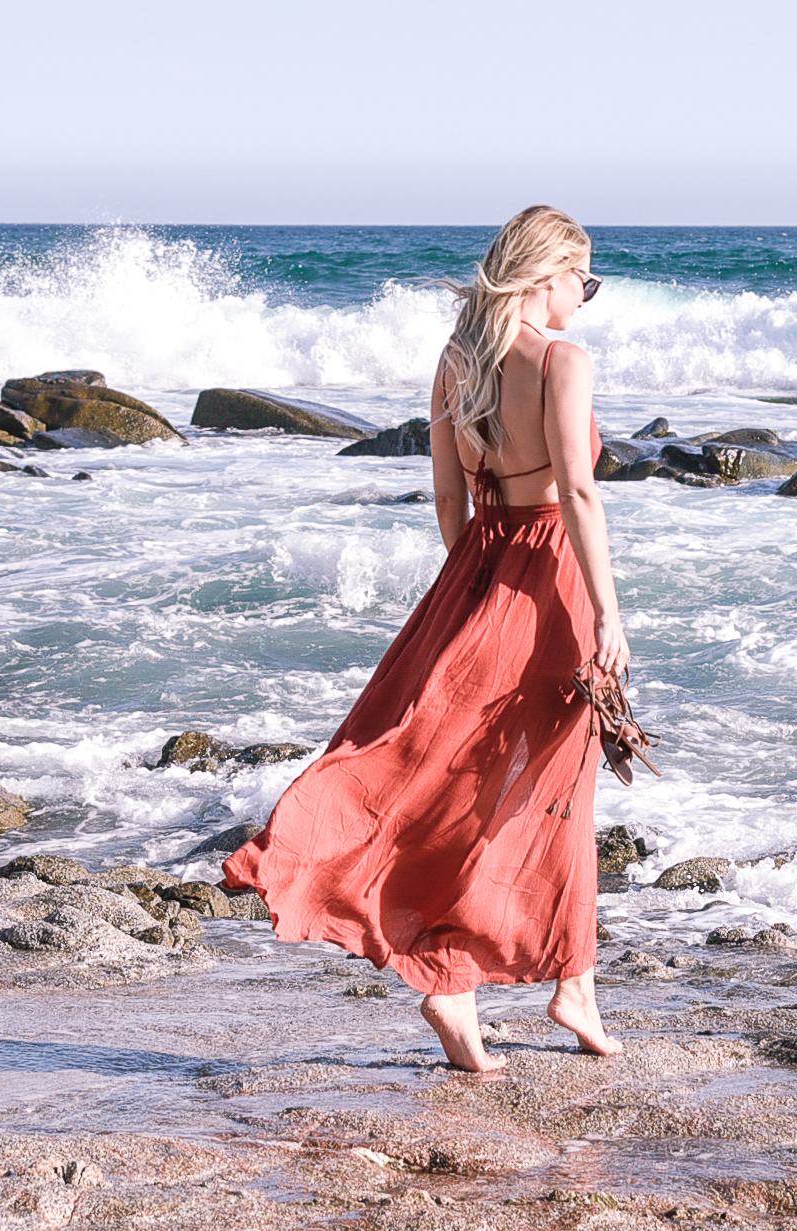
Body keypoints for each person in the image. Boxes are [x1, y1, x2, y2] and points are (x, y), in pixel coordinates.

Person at [223, 206, 632, 1072]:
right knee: (555, 787)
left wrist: (476, 591)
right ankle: (568, 984)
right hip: (549, 575)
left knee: (451, 776)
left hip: (475, 572)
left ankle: (455, 982)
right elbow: (580, 493)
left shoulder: (456, 364)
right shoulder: (563, 361)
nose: (584, 300)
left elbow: (450, 502)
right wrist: (607, 615)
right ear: (545, 274)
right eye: (582, 281)